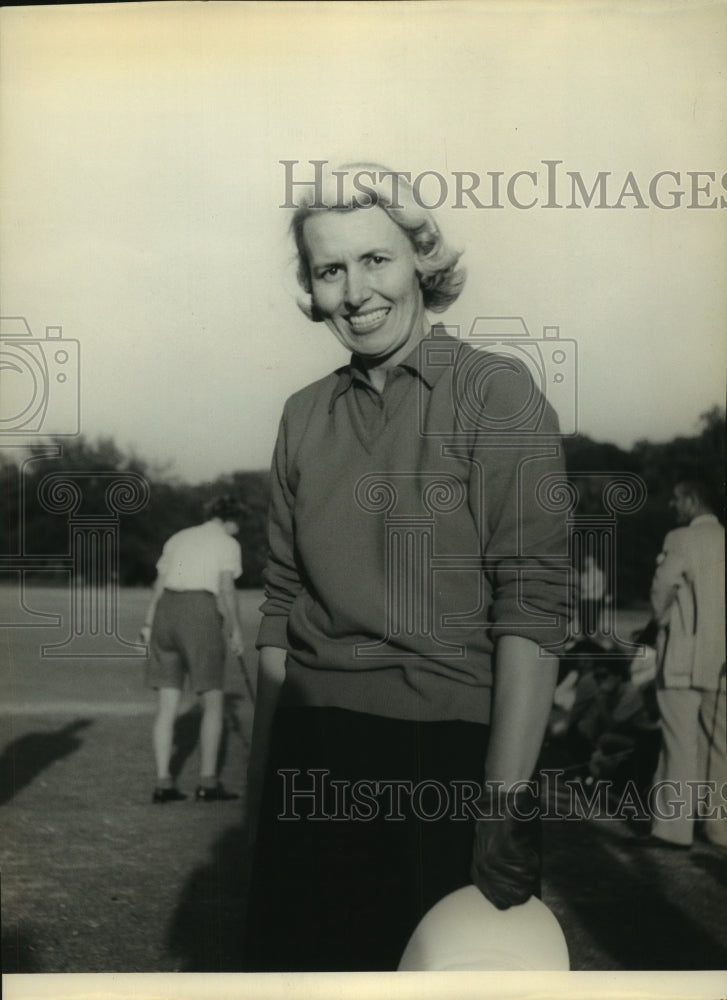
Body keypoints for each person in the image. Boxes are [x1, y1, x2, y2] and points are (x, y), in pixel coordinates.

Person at [243, 165, 572, 971]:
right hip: (311, 748)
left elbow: (530, 604)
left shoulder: (497, 392)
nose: (355, 291)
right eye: (330, 270)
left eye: (375, 260)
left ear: (421, 260)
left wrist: (501, 802)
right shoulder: (300, 415)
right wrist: (260, 799)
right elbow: (279, 611)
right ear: (312, 289)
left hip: (443, 760)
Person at [141, 495, 246, 803]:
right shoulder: (228, 543)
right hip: (198, 611)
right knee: (213, 701)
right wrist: (236, 629)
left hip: (165, 613)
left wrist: (148, 625)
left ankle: (163, 783)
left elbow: (158, 585)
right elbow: (226, 587)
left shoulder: (179, 537)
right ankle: (208, 783)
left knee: (167, 704)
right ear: (231, 520)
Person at [639, 480, 726, 849]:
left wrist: (660, 622)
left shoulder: (680, 539)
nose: (673, 505)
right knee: (720, 745)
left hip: (682, 657)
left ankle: (673, 830)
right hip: (722, 660)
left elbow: (662, 589)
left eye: (676, 498)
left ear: (692, 500)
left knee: (679, 743)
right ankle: (720, 829)